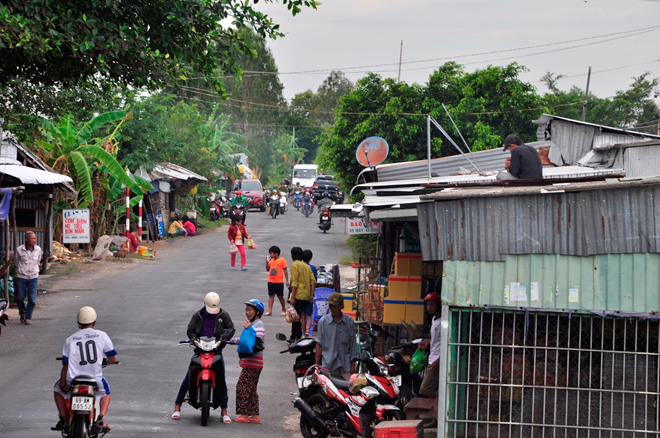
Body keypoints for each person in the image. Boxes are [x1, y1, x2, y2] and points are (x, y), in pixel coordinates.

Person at [172, 292, 235, 422]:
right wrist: (194, 339)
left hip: (216, 351)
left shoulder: (224, 315)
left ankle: (224, 411)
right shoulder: (198, 315)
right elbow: (190, 330)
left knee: (221, 378)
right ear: (205, 304)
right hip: (199, 350)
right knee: (188, 377)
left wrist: (223, 339)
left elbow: (230, 329)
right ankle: (177, 407)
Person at [53, 306, 117, 432]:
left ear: (78, 323)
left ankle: (63, 418)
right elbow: (112, 358)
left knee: (57, 389)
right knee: (106, 394)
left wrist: (62, 383)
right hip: (94, 379)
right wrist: (108, 362)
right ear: (94, 321)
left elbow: (65, 365)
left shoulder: (70, 340)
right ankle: (101, 419)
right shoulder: (101, 335)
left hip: (73, 379)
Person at [230, 299, 265, 424]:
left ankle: (244, 414)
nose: (247, 312)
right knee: (251, 390)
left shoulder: (258, 324)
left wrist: (249, 329)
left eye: (250, 310)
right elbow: (245, 339)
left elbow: (257, 338)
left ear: (257, 312)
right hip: (255, 363)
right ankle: (256, 416)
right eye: (246, 310)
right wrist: (231, 340)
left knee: (242, 387)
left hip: (253, 363)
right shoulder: (253, 324)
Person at [314, 293, 358, 380]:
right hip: (328, 366)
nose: (332, 309)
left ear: (341, 305)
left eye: (335, 306)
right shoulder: (323, 322)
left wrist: (353, 366)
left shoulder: (349, 322)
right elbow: (319, 344)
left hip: (345, 366)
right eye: (330, 306)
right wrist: (316, 365)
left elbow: (353, 345)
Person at [13, 231, 43, 325]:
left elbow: (38, 260)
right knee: (20, 298)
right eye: (32, 238)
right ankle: (22, 313)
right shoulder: (19, 249)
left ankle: (28, 317)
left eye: (34, 238)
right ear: (26, 239)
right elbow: (17, 262)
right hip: (21, 276)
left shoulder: (38, 249)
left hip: (34, 276)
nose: (34, 240)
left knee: (32, 299)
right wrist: (22, 270)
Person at [418, 292, 442, 398]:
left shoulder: (443, 322)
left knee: (425, 389)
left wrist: (439, 361)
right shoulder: (434, 319)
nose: (429, 307)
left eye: (432, 304)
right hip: (432, 358)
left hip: (436, 361)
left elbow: (447, 343)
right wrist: (428, 342)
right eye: (428, 305)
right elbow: (436, 338)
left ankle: (441, 401)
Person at [289, 246, 316, 340]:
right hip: (306, 296)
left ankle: (296, 337)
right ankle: (296, 337)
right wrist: (311, 295)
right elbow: (313, 281)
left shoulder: (294, 265)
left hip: (298, 295)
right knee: (300, 316)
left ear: (292, 255)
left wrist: (292, 297)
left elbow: (294, 283)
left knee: (295, 318)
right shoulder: (307, 266)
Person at [264, 246, 289, 317]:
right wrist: (267, 262)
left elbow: (285, 270)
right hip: (271, 281)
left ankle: (283, 309)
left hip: (279, 282)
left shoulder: (282, 260)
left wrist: (287, 280)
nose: (270, 255)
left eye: (271, 253)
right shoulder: (271, 260)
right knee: (271, 296)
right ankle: (269, 311)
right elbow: (267, 269)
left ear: (276, 253)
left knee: (280, 296)